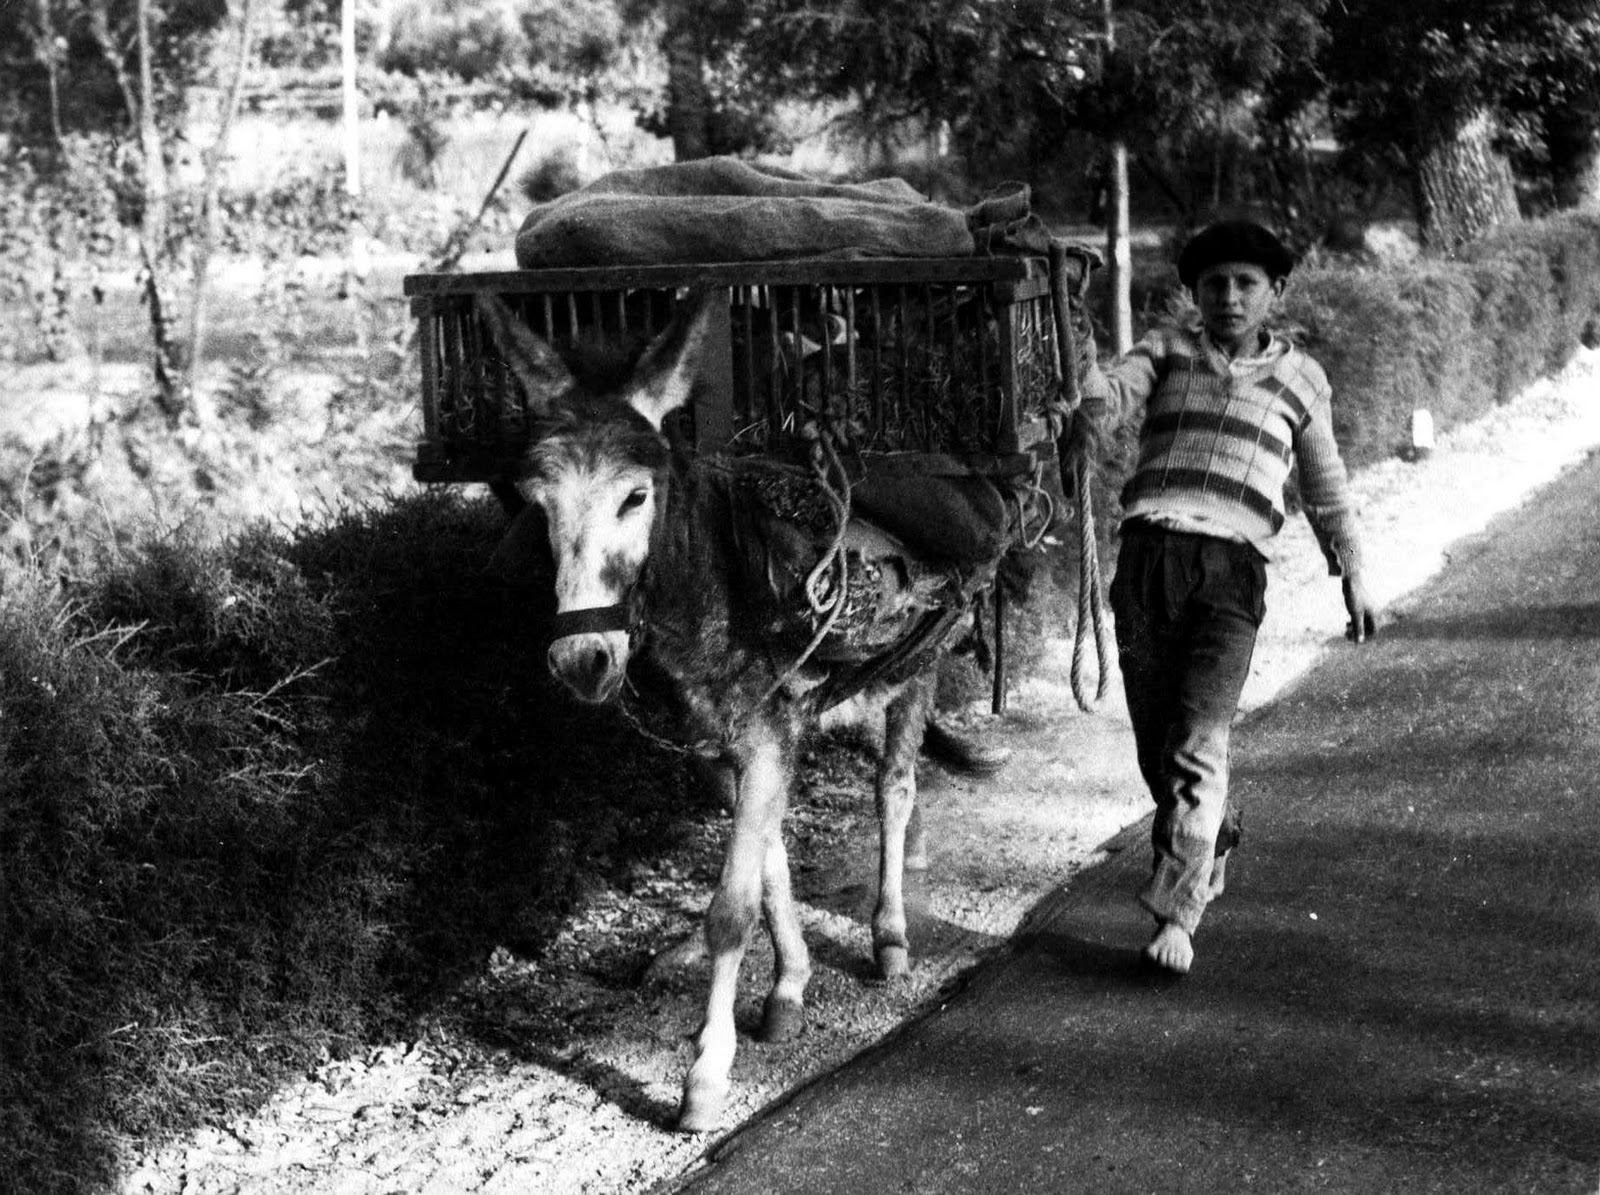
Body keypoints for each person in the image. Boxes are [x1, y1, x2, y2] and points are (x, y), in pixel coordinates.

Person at [1070, 218, 1380, 974]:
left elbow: (1325, 485)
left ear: (1275, 291)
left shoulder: (1302, 379)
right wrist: (1077, 352)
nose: (1230, 297)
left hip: (1232, 572)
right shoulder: (1166, 350)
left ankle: (1179, 912)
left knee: (1197, 741)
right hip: (1147, 559)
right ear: (1194, 293)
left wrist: (1354, 570)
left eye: (1246, 283)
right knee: (1157, 745)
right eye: (1214, 284)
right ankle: (1218, 831)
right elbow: (1105, 402)